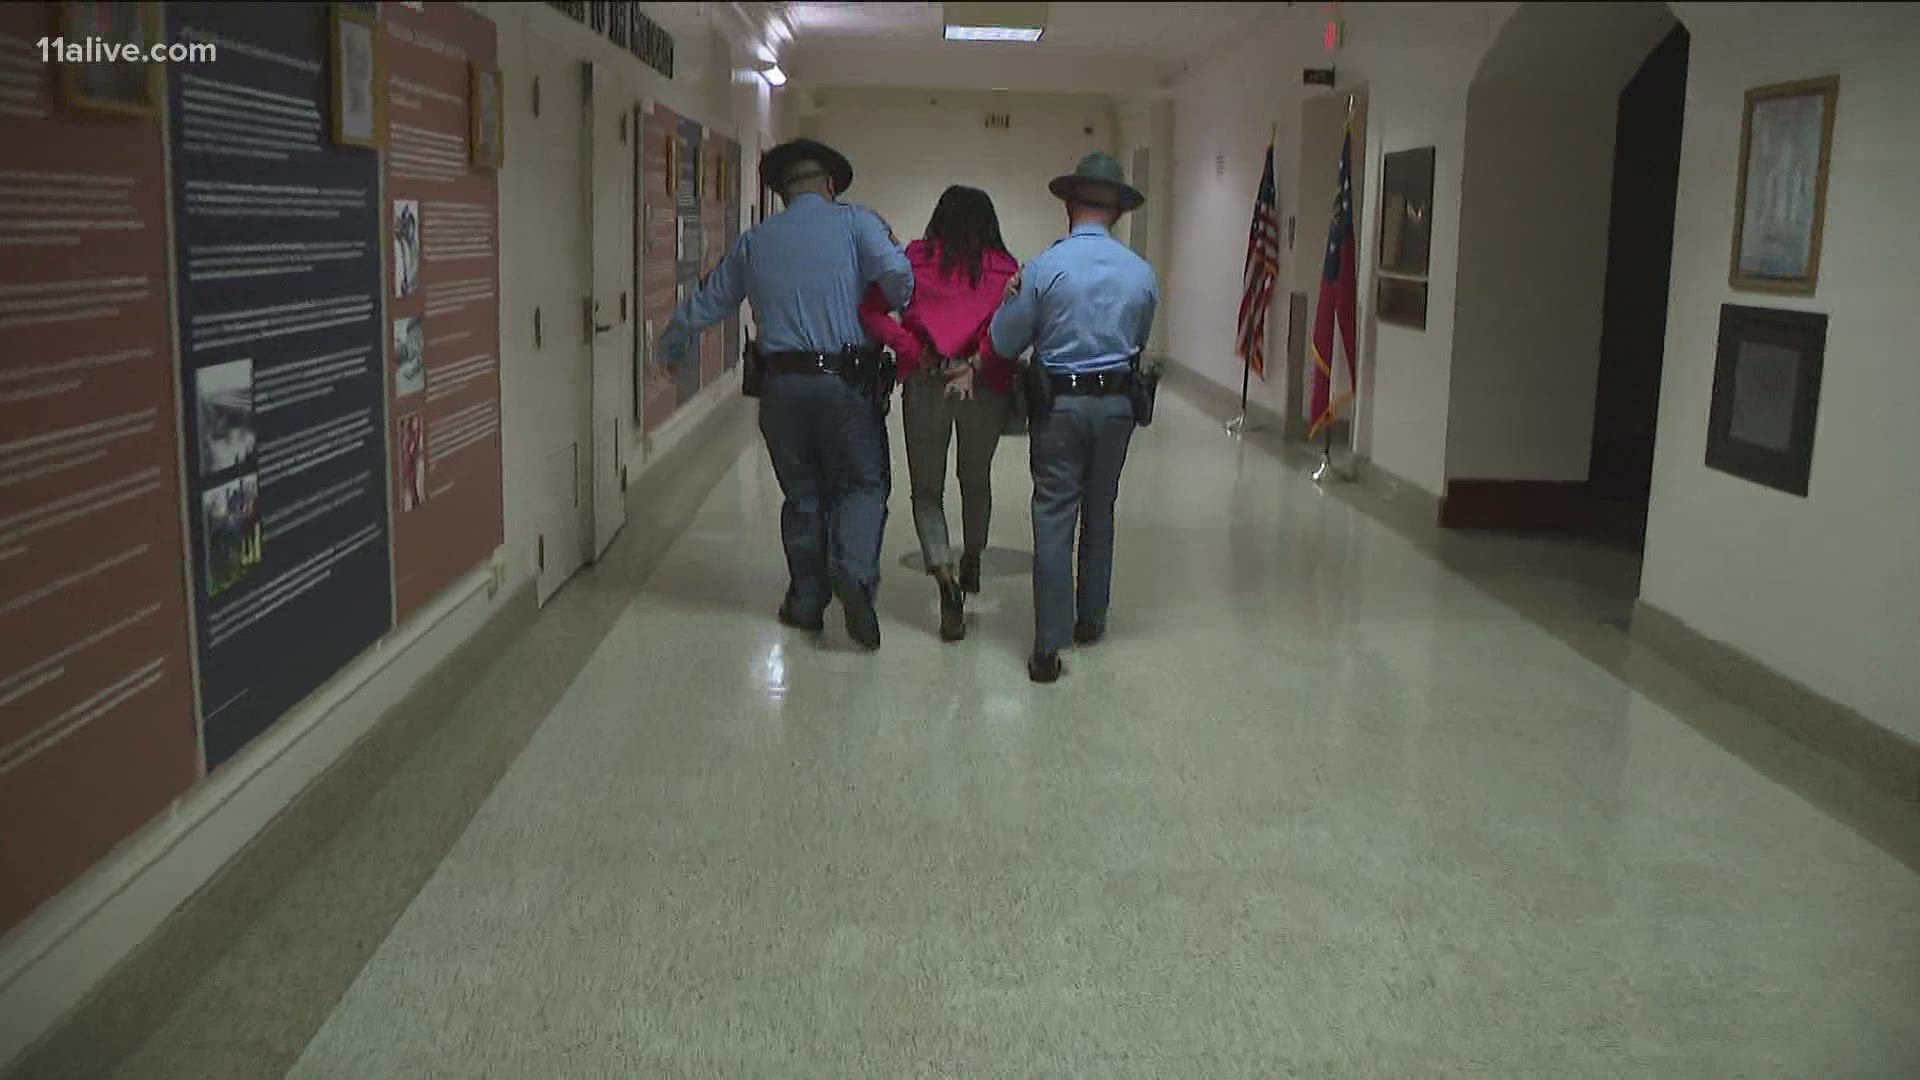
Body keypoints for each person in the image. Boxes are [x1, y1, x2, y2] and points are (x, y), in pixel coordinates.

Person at [654, 139, 912, 650]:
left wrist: (672, 345)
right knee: (862, 484)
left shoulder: (756, 239)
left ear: (782, 193)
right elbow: (899, 276)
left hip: (780, 388)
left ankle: (806, 601)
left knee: (803, 493)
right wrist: (891, 303)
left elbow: (709, 302)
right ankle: (854, 573)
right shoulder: (858, 223)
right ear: (831, 186)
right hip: (844, 382)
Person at [988, 153, 1158, 684]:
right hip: (1117, 407)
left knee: (1054, 514)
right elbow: (1138, 341)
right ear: (1116, 213)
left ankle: (1047, 644)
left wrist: (1008, 300)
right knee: (1100, 508)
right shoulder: (1141, 273)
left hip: (1059, 405)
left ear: (1069, 204)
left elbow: (1003, 341)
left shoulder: (1044, 268)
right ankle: (1091, 620)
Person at [857, 185, 1020, 643]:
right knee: (976, 479)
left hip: (926, 382)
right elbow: (1011, 329)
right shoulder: (1005, 269)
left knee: (927, 492)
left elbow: (871, 311)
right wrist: (979, 361)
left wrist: (912, 348)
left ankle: (944, 576)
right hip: (981, 386)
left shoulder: (911, 261)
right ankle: (972, 555)